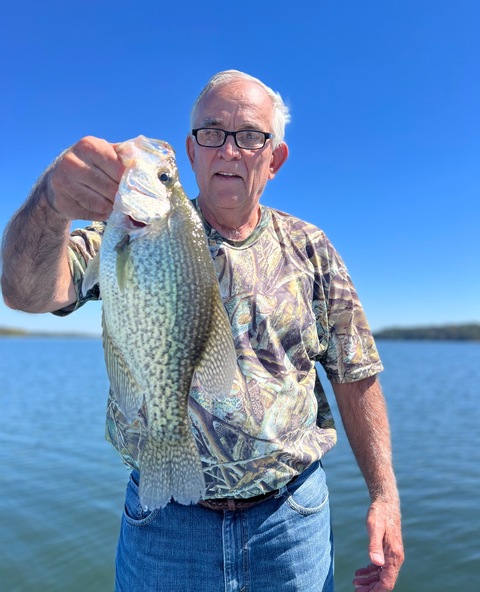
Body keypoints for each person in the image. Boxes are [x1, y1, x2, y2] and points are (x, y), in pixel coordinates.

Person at [1, 70, 404, 591]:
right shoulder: (132, 231)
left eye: (251, 136)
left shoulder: (311, 248)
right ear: (192, 153)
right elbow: (25, 292)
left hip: (292, 522)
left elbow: (355, 374)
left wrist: (385, 495)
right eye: (212, 133)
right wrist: (51, 203)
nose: (229, 151)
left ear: (275, 157)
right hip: (164, 525)